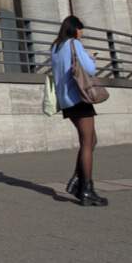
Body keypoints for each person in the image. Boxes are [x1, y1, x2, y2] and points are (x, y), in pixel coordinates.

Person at [51, 15, 108, 207]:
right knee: (87, 142)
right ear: (75, 30)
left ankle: (77, 180)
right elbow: (89, 69)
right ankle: (86, 190)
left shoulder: (55, 47)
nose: (81, 34)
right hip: (79, 98)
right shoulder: (74, 44)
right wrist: (91, 58)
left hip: (66, 100)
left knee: (91, 140)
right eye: (80, 30)